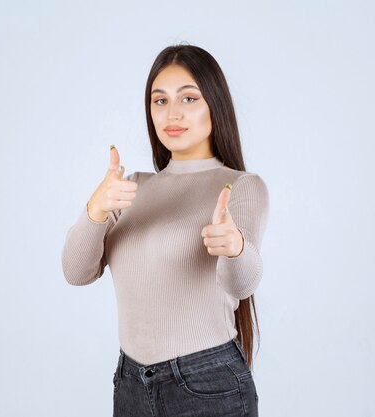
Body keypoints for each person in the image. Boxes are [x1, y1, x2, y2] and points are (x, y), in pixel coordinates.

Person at [61, 44, 269, 417]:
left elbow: (241, 286)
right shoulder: (129, 188)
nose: (171, 113)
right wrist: (94, 211)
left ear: (214, 105)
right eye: (160, 101)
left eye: (188, 98)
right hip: (130, 384)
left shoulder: (239, 187)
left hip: (206, 385)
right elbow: (76, 272)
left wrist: (235, 248)